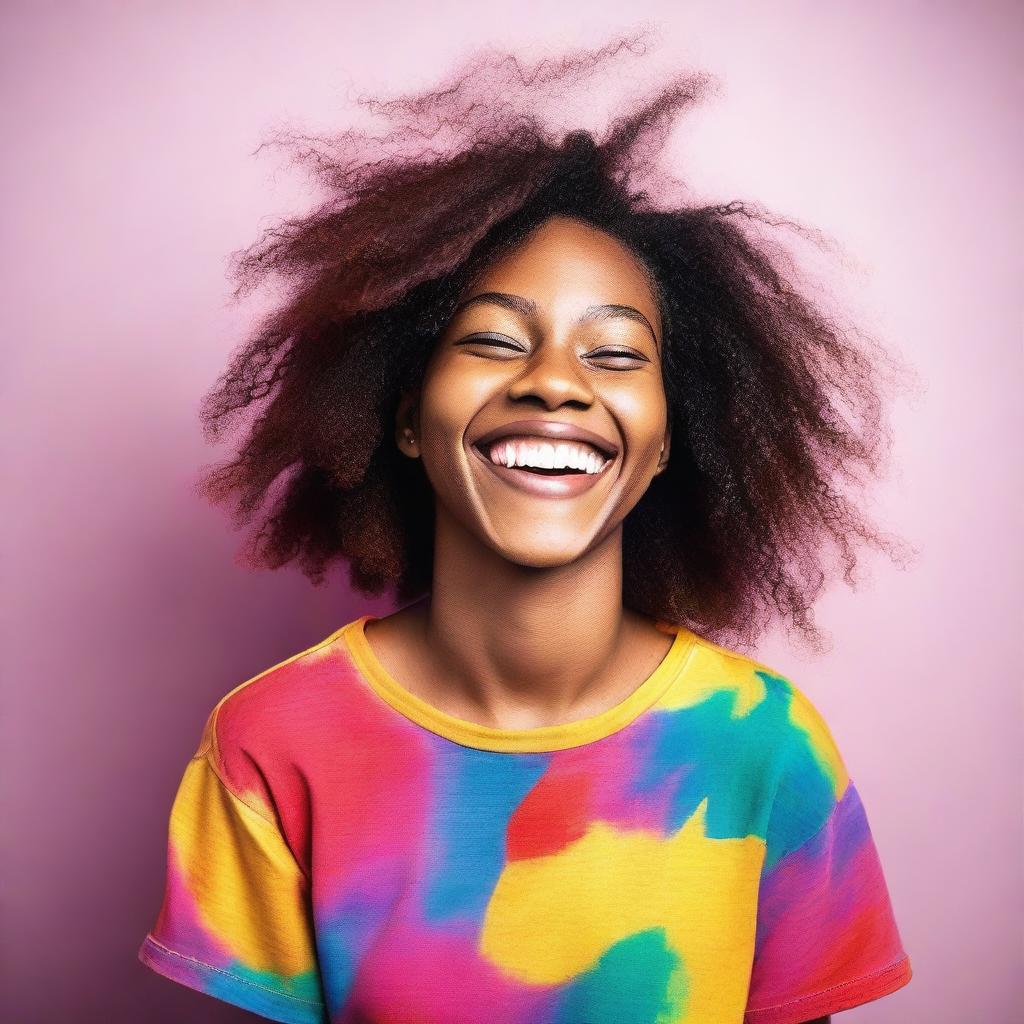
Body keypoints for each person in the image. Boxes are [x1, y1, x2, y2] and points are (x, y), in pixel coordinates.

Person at [138, 36, 912, 1024]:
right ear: (404, 413)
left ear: (670, 436)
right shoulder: (269, 745)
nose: (553, 383)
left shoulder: (766, 746)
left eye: (615, 355)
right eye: (496, 340)